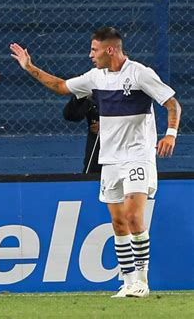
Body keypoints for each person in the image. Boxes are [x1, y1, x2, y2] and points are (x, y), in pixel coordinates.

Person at [10, 27, 181, 298]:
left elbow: (172, 103)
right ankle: (127, 281)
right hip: (110, 159)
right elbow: (60, 86)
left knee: (134, 217)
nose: (91, 55)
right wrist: (29, 67)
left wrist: (170, 133)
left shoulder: (139, 73)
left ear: (110, 50)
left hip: (137, 156)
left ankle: (142, 281)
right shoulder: (95, 78)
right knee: (117, 222)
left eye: (94, 50)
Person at [62, 95, 102, 173]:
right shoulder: (91, 89)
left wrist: (109, 124)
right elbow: (71, 115)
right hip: (96, 150)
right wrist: (81, 95)